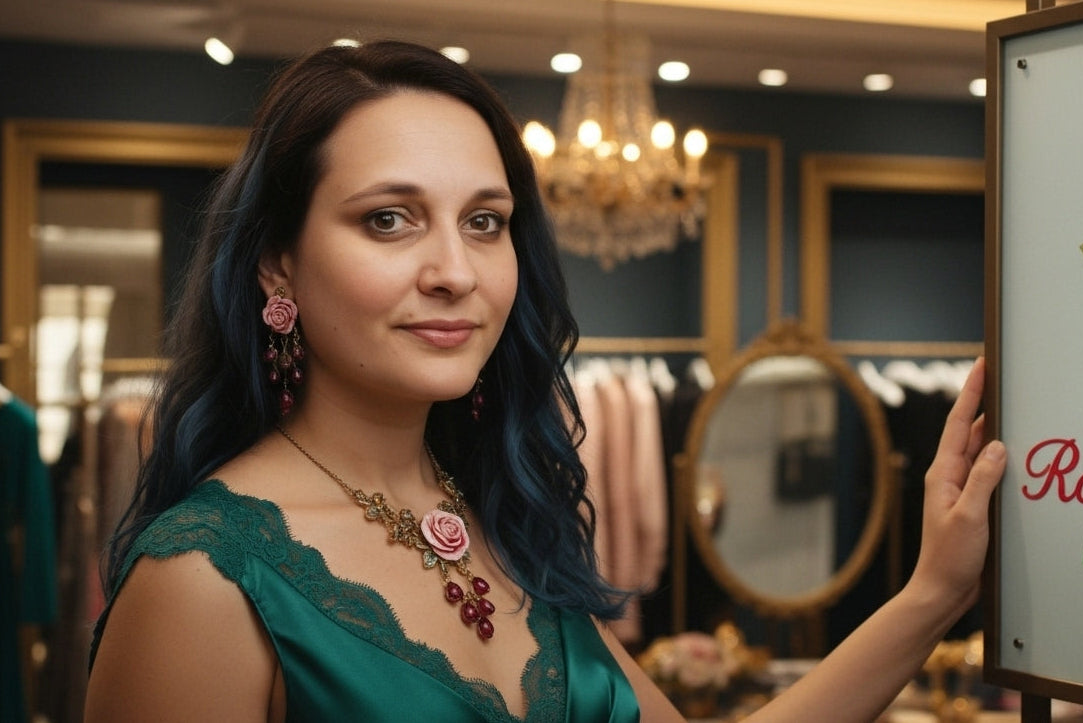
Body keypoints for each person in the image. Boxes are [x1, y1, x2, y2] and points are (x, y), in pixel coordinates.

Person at [83, 40, 1007, 722]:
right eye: (390, 220)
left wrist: (931, 591)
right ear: (276, 265)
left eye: (485, 222)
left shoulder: (504, 516)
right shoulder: (205, 579)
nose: (456, 270)